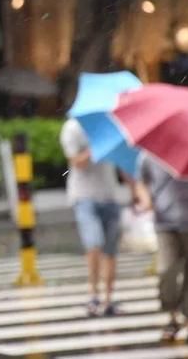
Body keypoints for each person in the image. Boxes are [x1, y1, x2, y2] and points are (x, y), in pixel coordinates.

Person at [134, 152, 188, 343]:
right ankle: (171, 316)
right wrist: (145, 199)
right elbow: (141, 182)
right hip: (165, 223)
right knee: (166, 269)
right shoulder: (149, 155)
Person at [59, 118, 122, 316]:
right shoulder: (73, 128)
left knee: (111, 250)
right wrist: (97, 145)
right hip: (84, 196)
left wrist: (134, 186)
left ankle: (108, 299)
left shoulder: (112, 125)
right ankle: (93, 294)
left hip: (110, 194)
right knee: (94, 244)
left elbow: (122, 161)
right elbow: (76, 163)